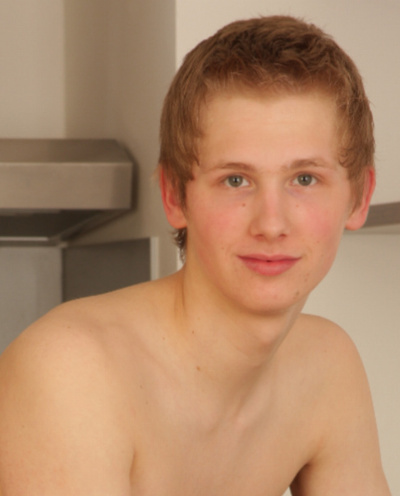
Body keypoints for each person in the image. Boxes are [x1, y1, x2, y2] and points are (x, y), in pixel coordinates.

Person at [0, 15, 391, 495]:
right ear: (174, 195)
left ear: (359, 197)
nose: (271, 224)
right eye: (235, 180)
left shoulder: (327, 366)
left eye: (305, 179)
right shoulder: (72, 370)